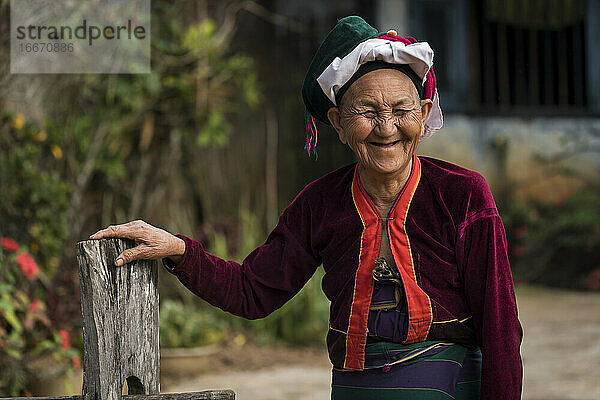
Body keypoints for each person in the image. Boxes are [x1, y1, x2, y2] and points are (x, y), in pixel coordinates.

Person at [91, 16, 523, 399]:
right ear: (337, 122)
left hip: (448, 385)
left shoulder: (464, 195)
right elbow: (252, 292)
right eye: (367, 111)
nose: (387, 127)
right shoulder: (319, 204)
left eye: (401, 109)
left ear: (423, 112)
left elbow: (500, 330)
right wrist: (179, 250)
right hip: (356, 387)